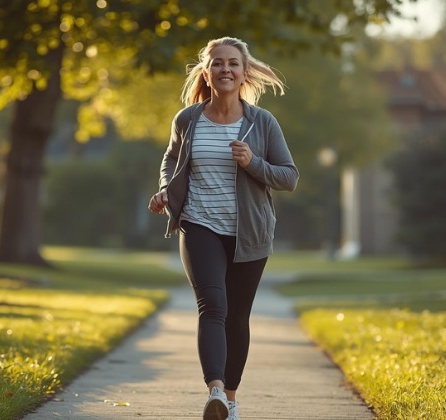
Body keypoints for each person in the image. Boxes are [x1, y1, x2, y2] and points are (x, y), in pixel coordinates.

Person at [147, 36, 299, 420]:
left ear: (244, 72)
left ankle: (229, 399)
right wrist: (166, 190)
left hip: (249, 234)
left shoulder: (262, 123)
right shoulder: (188, 119)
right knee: (212, 306)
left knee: (237, 316)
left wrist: (253, 164)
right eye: (217, 63)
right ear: (206, 71)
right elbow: (171, 161)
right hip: (199, 225)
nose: (225, 69)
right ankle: (214, 390)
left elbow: (290, 178)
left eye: (233, 63)